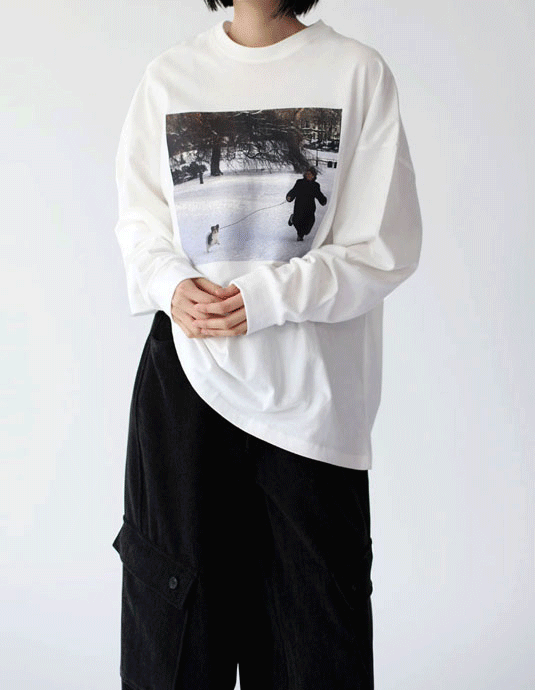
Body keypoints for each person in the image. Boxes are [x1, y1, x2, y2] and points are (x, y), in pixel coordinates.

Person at [111, 1, 422, 689]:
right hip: (186, 389)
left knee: (314, 648)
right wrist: (169, 284)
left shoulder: (355, 73)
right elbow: (140, 223)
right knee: (174, 644)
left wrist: (263, 299)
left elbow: (382, 248)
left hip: (309, 408)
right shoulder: (169, 77)